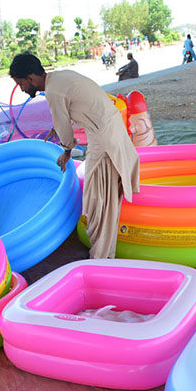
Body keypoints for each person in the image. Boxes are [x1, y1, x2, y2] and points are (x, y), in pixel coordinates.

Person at [9, 52, 140, 259]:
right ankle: (105, 252)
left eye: (21, 84)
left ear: (31, 78)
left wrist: (67, 151)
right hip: (112, 130)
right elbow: (73, 108)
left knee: (98, 201)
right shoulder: (61, 77)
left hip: (104, 138)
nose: (23, 89)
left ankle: (101, 257)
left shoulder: (53, 92)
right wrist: (58, 128)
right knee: (106, 198)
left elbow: (64, 127)